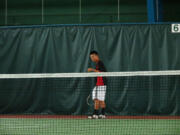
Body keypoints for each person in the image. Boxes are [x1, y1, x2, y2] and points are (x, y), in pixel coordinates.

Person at [88, 50, 107, 119]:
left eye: (93, 56)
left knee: (101, 100)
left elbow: (102, 72)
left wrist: (92, 70)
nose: (92, 58)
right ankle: (96, 114)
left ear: (96, 56)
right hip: (98, 84)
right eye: (91, 57)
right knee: (96, 99)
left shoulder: (100, 63)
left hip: (102, 84)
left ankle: (102, 114)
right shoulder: (97, 64)